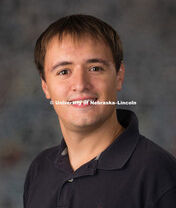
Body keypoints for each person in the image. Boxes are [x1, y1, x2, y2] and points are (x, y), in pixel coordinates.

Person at [23, 14, 176, 208]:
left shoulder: (157, 171)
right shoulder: (40, 169)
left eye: (95, 68)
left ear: (119, 76)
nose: (80, 85)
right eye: (64, 71)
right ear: (45, 87)